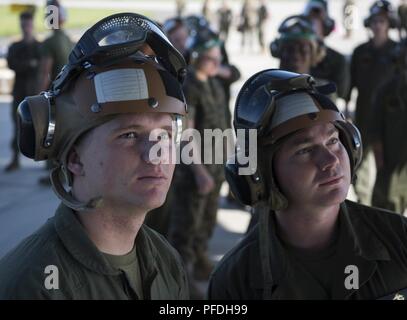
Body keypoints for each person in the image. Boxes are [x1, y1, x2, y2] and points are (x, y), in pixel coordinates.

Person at [0, 12, 189, 300]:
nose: (156, 154)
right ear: (75, 158)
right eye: (128, 135)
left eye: (163, 134)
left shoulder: (165, 260)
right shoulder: (34, 285)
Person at [207, 69, 407, 299]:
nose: (330, 161)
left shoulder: (399, 239)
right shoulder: (235, 283)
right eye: (305, 150)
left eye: (333, 141)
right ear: (260, 175)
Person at [167, 31, 229, 299]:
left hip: (215, 168)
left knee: (207, 222)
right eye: (210, 58)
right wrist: (200, 172)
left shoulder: (213, 82)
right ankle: (180, 280)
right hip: (195, 172)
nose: (216, 62)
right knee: (185, 229)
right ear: (197, 58)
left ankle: (202, 263)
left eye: (218, 57)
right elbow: (186, 134)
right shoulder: (189, 87)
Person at [347, 0, 399, 206]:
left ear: (390, 24)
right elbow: (349, 85)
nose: (378, 25)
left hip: (391, 122)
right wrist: (346, 107)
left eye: (383, 21)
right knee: (361, 169)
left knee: (389, 171)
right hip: (364, 116)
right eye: (375, 21)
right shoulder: (360, 52)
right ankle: (364, 207)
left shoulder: (399, 52)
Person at [38, 0, 74, 185]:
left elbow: (45, 72)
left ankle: (53, 175)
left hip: (52, 96)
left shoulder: (49, 42)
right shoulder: (67, 39)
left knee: (48, 135)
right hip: (67, 95)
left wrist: (37, 98)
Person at [370, 40, 407, 214]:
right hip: (392, 167)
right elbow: (376, 133)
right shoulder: (388, 90)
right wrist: (381, 165)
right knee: (386, 218)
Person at [5, 10, 41, 172]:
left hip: (35, 93)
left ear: (32, 25)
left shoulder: (39, 47)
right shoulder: (15, 46)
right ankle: (15, 158)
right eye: (23, 24)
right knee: (17, 125)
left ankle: (49, 163)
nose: (26, 27)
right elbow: (13, 64)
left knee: (42, 126)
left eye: (28, 24)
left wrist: (29, 64)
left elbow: (42, 67)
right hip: (19, 92)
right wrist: (30, 64)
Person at [304, 0, 350, 101]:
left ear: (325, 25)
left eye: (316, 20)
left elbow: (342, 93)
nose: (312, 26)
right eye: (309, 21)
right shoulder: (294, 57)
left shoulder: (338, 59)